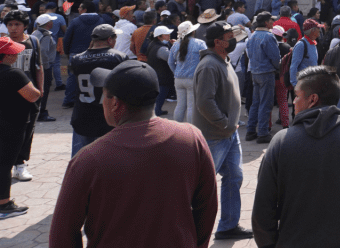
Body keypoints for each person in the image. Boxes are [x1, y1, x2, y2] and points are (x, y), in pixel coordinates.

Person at [49, 60, 218, 247]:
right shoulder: (191, 138)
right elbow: (207, 207)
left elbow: (61, 236)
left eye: (103, 95)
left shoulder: (89, 159)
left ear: (115, 104)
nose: (102, 102)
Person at [252, 65, 340, 248]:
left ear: (312, 100)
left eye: (297, 96)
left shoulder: (281, 142)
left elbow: (262, 210)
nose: (293, 102)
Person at [193, 22, 253, 241]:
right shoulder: (209, 65)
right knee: (203, 186)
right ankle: (192, 231)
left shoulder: (222, 61)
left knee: (234, 177)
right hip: (214, 135)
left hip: (228, 134)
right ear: (218, 41)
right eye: (230, 36)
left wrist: (229, 126)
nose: (233, 40)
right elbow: (204, 102)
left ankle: (228, 225)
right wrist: (224, 123)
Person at [69, 24, 128, 157]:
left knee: (80, 159)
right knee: (110, 159)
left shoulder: (76, 59)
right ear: (109, 40)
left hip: (83, 114)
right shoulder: (119, 57)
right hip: (110, 116)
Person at [0, 37, 40, 219]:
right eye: (13, 52)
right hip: (11, 124)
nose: (16, 54)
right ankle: (4, 204)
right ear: (6, 55)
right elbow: (33, 96)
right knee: (4, 164)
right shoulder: (14, 74)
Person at [247, 11, 282, 144]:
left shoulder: (252, 36)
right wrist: (278, 67)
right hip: (266, 73)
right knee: (265, 104)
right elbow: (275, 57)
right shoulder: (268, 36)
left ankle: (251, 131)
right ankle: (262, 133)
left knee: (255, 103)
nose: (273, 23)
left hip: (255, 72)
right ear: (266, 22)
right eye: (271, 21)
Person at [169, 21, 205, 124]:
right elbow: (206, 59)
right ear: (193, 31)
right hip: (193, 79)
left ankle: (177, 129)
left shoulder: (175, 45)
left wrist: (176, 72)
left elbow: (170, 62)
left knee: (180, 105)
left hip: (178, 79)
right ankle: (190, 131)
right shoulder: (199, 43)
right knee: (191, 107)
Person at [30, 13, 57, 122]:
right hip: (44, 67)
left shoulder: (34, 33)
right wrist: (46, 67)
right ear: (48, 24)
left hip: (35, 66)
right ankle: (42, 113)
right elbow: (44, 52)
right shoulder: (45, 35)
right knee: (43, 91)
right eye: (51, 21)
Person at [145, 25, 175, 117]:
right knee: (161, 96)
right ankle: (157, 112)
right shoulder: (161, 48)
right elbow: (172, 58)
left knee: (160, 96)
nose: (169, 36)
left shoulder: (153, 44)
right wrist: (174, 46)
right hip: (162, 76)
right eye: (166, 35)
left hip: (156, 74)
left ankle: (157, 111)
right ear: (159, 37)